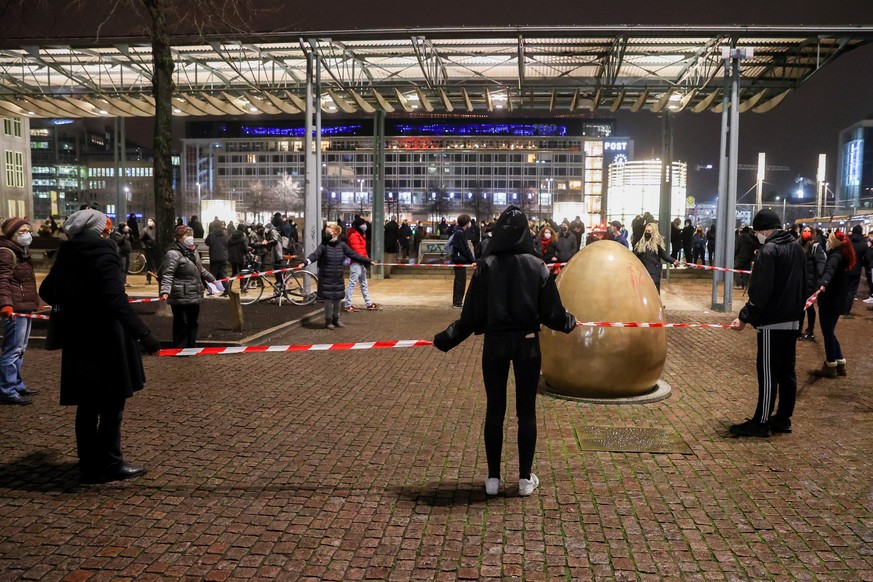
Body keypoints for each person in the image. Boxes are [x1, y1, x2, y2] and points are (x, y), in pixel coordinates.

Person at [433, 206, 577, 497]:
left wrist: (446, 339)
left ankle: (493, 478)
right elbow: (551, 312)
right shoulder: (537, 266)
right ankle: (525, 479)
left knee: (495, 409)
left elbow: (471, 315)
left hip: (495, 343)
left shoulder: (487, 266)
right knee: (526, 412)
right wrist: (568, 322)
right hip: (527, 343)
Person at [38, 209, 161, 483]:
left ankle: (88, 463)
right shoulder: (104, 254)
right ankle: (110, 463)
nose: (110, 229)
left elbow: (46, 290)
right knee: (111, 405)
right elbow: (116, 301)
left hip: (79, 340)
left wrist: (70, 307)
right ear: (98, 230)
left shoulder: (68, 254)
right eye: (106, 225)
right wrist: (145, 336)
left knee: (87, 405)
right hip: (106, 340)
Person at [729, 209, 806, 437]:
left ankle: (761, 422)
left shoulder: (769, 250)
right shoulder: (796, 248)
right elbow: (804, 285)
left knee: (768, 373)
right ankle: (783, 418)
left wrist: (744, 316)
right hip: (792, 320)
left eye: (757, 231)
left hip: (772, 322)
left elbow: (761, 292)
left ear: (763, 230)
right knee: (787, 372)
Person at [298, 223, 371, 329]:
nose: (326, 233)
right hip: (326, 277)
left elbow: (353, 254)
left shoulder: (342, 245)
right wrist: (305, 262)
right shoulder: (323, 246)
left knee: (338, 299)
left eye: (329, 231)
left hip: (337, 277)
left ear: (335, 233)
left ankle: (336, 319)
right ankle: (328, 321)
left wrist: (367, 261)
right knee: (328, 300)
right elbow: (314, 255)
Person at [0, 218, 39, 405]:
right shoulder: (7, 253)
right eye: (22, 231)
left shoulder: (20, 252)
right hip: (14, 309)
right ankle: (6, 389)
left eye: (28, 230)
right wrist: (5, 305)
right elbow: (3, 281)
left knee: (20, 349)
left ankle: (16, 383)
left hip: (24, 306)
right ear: (12, 233)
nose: (27, 234)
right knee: (12, 350)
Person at [159, 225, 216, 348]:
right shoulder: (173, 254)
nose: (190, 238)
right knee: (181, 322)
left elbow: (201, 270)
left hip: (194, 293)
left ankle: (191, 346)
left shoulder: (193, 251)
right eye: (187, 235)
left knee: (193, 322)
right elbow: (168, 274)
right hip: (180, 295)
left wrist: (213, 280)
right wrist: (165, 291)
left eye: (191, 235)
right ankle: (180, 347)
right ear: (179, 238)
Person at [812, 230, 856, 378]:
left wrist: (823, 283)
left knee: (828, 332)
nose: (827, 242)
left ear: (834, 243)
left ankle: (831, 364)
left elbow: (829, 271)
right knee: (830, 331)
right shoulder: (845, 255)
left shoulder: (835, 256)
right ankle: (840, 362)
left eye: (829, 240)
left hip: (830, 300)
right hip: (838, 300)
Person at [344, 219, 380, 312]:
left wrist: (368, 260)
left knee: (364, 284)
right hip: (356, 263)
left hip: (361, 263)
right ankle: (347, 305)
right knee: (352, 284)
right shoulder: (354, 236)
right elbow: (358, 252)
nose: (365, 225)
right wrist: (368, 261)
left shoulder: (359, 235)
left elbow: (363, 251)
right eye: (363, 224)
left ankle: (369, 303)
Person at [797, 226, 826, 341]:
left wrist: (820, 279)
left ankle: (810, 330)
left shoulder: (815, 246)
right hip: (799, 281)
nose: (807, 233)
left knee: (809, 307)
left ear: (813, 233)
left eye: (809, 231)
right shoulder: (797, 244)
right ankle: (798, 330)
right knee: (800, 307)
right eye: (805, 231)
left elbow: (820, 263)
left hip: (810, 282)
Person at [633, 222, 678, 293]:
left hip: (654, 271)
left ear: (653, 232)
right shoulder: (640, 244)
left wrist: (673, 261)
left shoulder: (657, 244)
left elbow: (664, 255)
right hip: (643, 271)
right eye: (646, 231)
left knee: (654, 290)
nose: (647, 233)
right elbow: (634, 256)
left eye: (649, 231)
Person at [448, 214, 475, 308]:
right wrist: (472, 260)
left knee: (459, 280)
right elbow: (465, 249)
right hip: (459, 260)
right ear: (467, 222)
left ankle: (457, 301)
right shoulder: (460, 233)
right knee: (460, 281)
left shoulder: (457, 231)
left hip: (458, 259)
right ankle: (457, 302)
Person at [843, 225, 867, 318]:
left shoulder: (846, 241)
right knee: (852, 291)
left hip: (845, 268)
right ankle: (847, 311)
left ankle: (840, 308)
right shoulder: (863, 244)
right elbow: (867, 258)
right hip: (856, 270)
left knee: (843, 288)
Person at [204, 222, 229, 293]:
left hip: (214, 257)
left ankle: (211, 290)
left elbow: (207, 242)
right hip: (223, 257)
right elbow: (227, 243)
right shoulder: (225, 234)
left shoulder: (211, 234)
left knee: (212, 274)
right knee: (223, 274)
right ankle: (226, 290)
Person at [227, 223, 249, 293]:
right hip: (240, 257)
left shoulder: (231, 237)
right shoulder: (243, 238)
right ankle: (242, 287)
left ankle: (228, 287)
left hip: (232, 257)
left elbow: (228, 246)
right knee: (241, 273)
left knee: (234, 273)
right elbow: (245, 249)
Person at [109, 222, 133, 286]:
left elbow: (132, 240)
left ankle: (124, 281)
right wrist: (125, 234)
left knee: (126, 268)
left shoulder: (127, 234)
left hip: (127, 253)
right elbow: (119, 241)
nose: (126, 228)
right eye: (125, 226)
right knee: (122, 268)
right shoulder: (117, 233)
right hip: (121, 253)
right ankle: (121, 281)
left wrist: (130, 233)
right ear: (122, 228)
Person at [140, 218, 160, 285]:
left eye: (151, 221)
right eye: (148, 221)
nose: (149, 222)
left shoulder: (158, 229)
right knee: (149, 265)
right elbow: (141, 240)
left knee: (159, 264)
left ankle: (160, 277)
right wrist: (144, 247)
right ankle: (148, 279)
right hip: (148, 249)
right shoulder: (145, 230)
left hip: (157, 249)